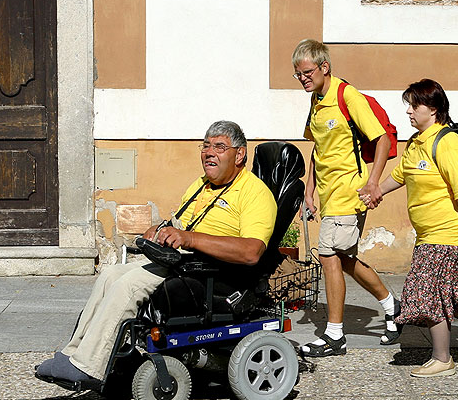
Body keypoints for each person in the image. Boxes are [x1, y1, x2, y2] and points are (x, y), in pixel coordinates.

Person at [36, 120, 277, 384]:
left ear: (239, 154)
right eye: (206, 146)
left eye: (219, 147)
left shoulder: (255, 193)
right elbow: (182, 223)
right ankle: (73, 354)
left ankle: (90, 367)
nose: (209, 152)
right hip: (182, 262)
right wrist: (161, 229)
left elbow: (251, 252)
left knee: (128, 285)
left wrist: (190, 239)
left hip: (216, 274)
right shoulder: (201, 184)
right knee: (110, 275)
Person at [363, 79, 458, 377]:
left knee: (428, 293)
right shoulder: (416, 143)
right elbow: (400, 176)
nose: (410, 112)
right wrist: (375, 191)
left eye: (415, 106)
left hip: (452, 232)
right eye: (409, 106)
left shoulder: (447, 142)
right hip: (429, 234)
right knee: (457, 297)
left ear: (434, 109)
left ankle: (442, 358)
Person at [292, 38, 400, 356]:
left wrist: (374, 183)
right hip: (328, 195)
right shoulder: (316, 100)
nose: (302, 78)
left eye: (307, 71)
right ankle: (392, 306)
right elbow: (318, 149)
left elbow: (380, 137)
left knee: (328, 257)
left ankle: (335, 335)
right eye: (298, 73)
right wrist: (309, 191)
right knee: (345, 260)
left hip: (349, 193)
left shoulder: (346, 95)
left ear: (325, 67)